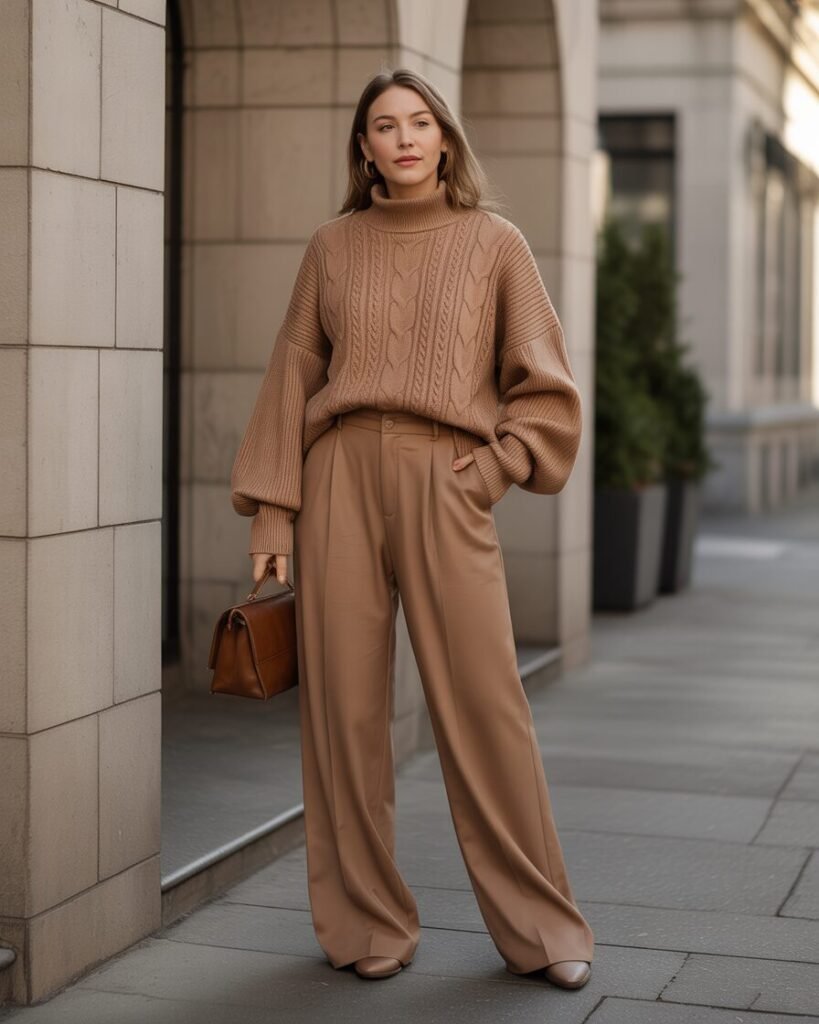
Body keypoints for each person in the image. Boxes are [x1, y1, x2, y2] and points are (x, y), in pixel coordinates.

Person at [230, 67, 594, 991]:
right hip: (340, 473)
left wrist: (495, 469)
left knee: (484, 706)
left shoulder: (493, 243)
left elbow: (544, 384)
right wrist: (275, 504)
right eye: (382, 126)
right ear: (362, 148)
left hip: (447, 478)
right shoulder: (331, 246)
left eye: (418, 123)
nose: (401, 139)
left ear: (443, 139)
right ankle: (365, 922)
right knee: (342, 713)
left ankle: (543, 929)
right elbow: (293, 373)